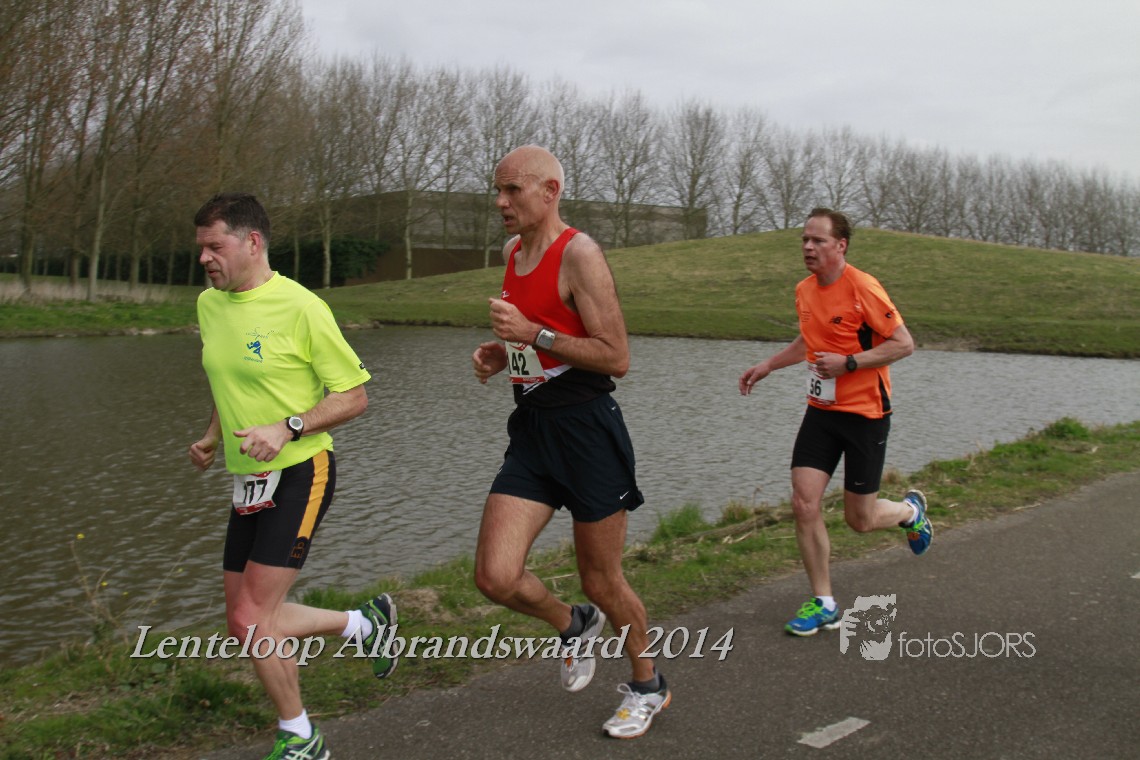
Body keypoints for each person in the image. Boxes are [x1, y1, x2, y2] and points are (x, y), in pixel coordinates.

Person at [189, 193, 397, 760]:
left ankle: (302, 736)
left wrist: (288, 426)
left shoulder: (302, 308)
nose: (205, 258)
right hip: (248, 479)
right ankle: (364, 624)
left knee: (253, 616)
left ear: (252, 242)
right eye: (201, 248)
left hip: (303, 471)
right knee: (244, 621)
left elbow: (354, 396)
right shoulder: (210, 305)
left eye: (215, 246)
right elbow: (229, 379)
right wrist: (212, 435)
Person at [471, 145, 670, 739]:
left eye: (513, 190)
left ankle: (648, 685)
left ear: (550, 191)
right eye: (497, 190)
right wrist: (504, 352)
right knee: (495, 576)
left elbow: (616, 355)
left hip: (587, 432)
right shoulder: (512, 253)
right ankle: (572, 624)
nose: (501, 202)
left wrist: (532, 334)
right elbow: (538, 340)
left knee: (602, 580)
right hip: (532, 431)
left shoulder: (579, 254)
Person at [737, 207, 932, 637]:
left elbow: (903, 344)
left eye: (818, 240)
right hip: (821, 413)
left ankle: (910, 512)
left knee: (860, 520)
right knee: (803, 503)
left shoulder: (864, 287)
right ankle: (824, 603)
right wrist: (769, 365)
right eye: (804, 240)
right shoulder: (805, 290)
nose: (808, 247)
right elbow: (809, 340)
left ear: (840, 245)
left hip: (866, 415)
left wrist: (850, 362)